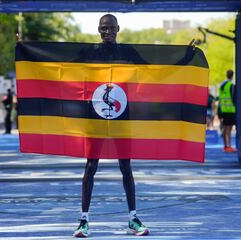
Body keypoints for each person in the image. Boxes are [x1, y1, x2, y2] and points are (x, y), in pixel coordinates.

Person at [73, 14, 149, 238]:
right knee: (90, 166)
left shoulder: (126, 52)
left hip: (122, 115)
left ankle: (133, 218)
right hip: (94, 116)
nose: (107, 32)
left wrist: (187, 55)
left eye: (111, 28)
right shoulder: (90, 52)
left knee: (126, 166)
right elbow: (59, 62)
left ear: (118, 28)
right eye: (103, 28)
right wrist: (26, 50)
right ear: (98, 29)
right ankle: (83, 220)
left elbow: (155, 68)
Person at [218, 70, 237, 153]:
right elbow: (234, 97)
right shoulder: (230, 85)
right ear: (232, 76)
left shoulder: (222, 85)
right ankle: (228, 146)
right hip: (230, 109)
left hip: (223, 109)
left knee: (226, 128)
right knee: (229, 129)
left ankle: (226, 145)